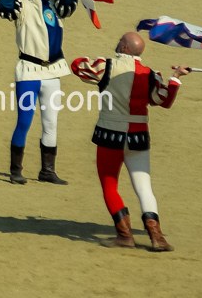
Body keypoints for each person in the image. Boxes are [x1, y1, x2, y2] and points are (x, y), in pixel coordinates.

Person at [66, 31, 188, 251]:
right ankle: (157, 236)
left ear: (124, 48)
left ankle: (124, 235)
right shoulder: (151, 74)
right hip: (139, 135)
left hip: (110, 134)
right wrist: (175, 78)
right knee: (144, 187)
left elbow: (78, 67)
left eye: (120, 40)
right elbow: (163, 100)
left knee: (109, 185)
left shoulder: (108, 66)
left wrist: (85, 59)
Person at [0, 0, 78, 185]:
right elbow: (3, 5)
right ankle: (16, 170)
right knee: (24, 122)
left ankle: (47, 171)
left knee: (51, 123)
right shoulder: (21, 6)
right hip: (29, 72)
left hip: (53, 72)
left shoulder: (56, 6)